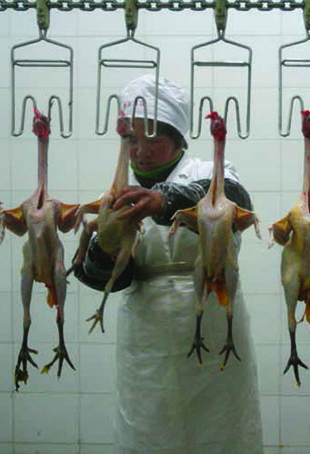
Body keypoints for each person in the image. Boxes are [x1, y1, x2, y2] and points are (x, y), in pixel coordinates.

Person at [74, 74, 263, 453]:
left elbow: (236, 198)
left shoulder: (210, 173)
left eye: (153, 139)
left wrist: (163, 201)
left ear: (178, 137)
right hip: (147, 337)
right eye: (132, 139)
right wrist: (105, 248)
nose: (140, 151)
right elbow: (98, 278)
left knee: (221, 433)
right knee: (149, 434)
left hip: (213, 319)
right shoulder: (114, 194)